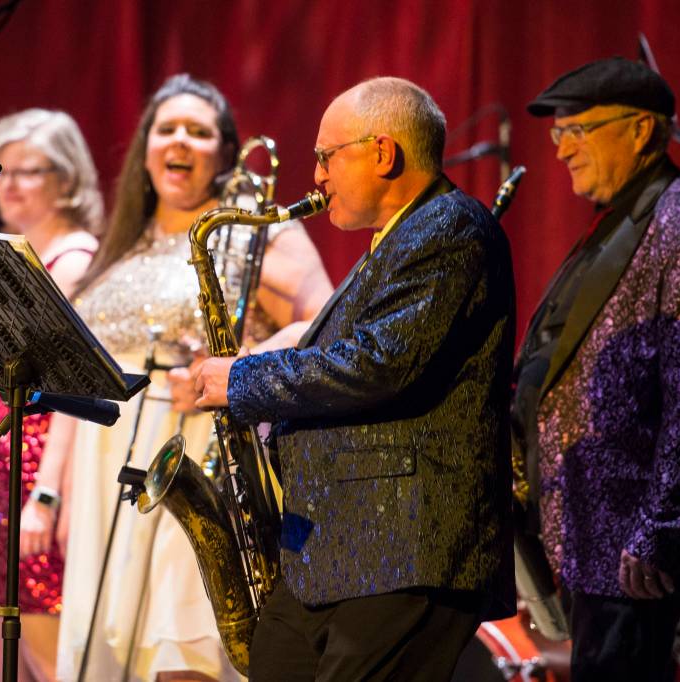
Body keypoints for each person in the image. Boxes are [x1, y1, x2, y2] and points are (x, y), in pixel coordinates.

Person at [190, 76, 516, 681]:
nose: (316, 176)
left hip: (402, 551)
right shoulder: (397, 241)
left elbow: (378, 364)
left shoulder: (450, 227)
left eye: (325, 156)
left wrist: (244, 379)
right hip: (335, 553)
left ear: (383, 153)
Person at [55, 73, 333, 682]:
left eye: (199, 132)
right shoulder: (125, 241)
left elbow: (324, 321)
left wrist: (237, 371)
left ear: (226, 153)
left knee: (183, 649)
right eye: (167, 128)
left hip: (199, 461)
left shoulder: (253, 229)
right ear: (145, 147)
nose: (180, 141)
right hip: (112, 469)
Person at [512, 57, 680, 680]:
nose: (561, 150)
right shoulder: (623, 221)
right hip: (588, 527)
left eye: (579, 130)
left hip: (630, 539)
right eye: (558, 134)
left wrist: (660, 526)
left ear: (640, 130)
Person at [0, 108, 103, 682]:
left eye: (26, 171)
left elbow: (70, 394)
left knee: (44, 650)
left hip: (37, 476)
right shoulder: (11, 256)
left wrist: (47, 493)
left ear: (67, 179)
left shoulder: (76, 262)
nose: (5, 186)